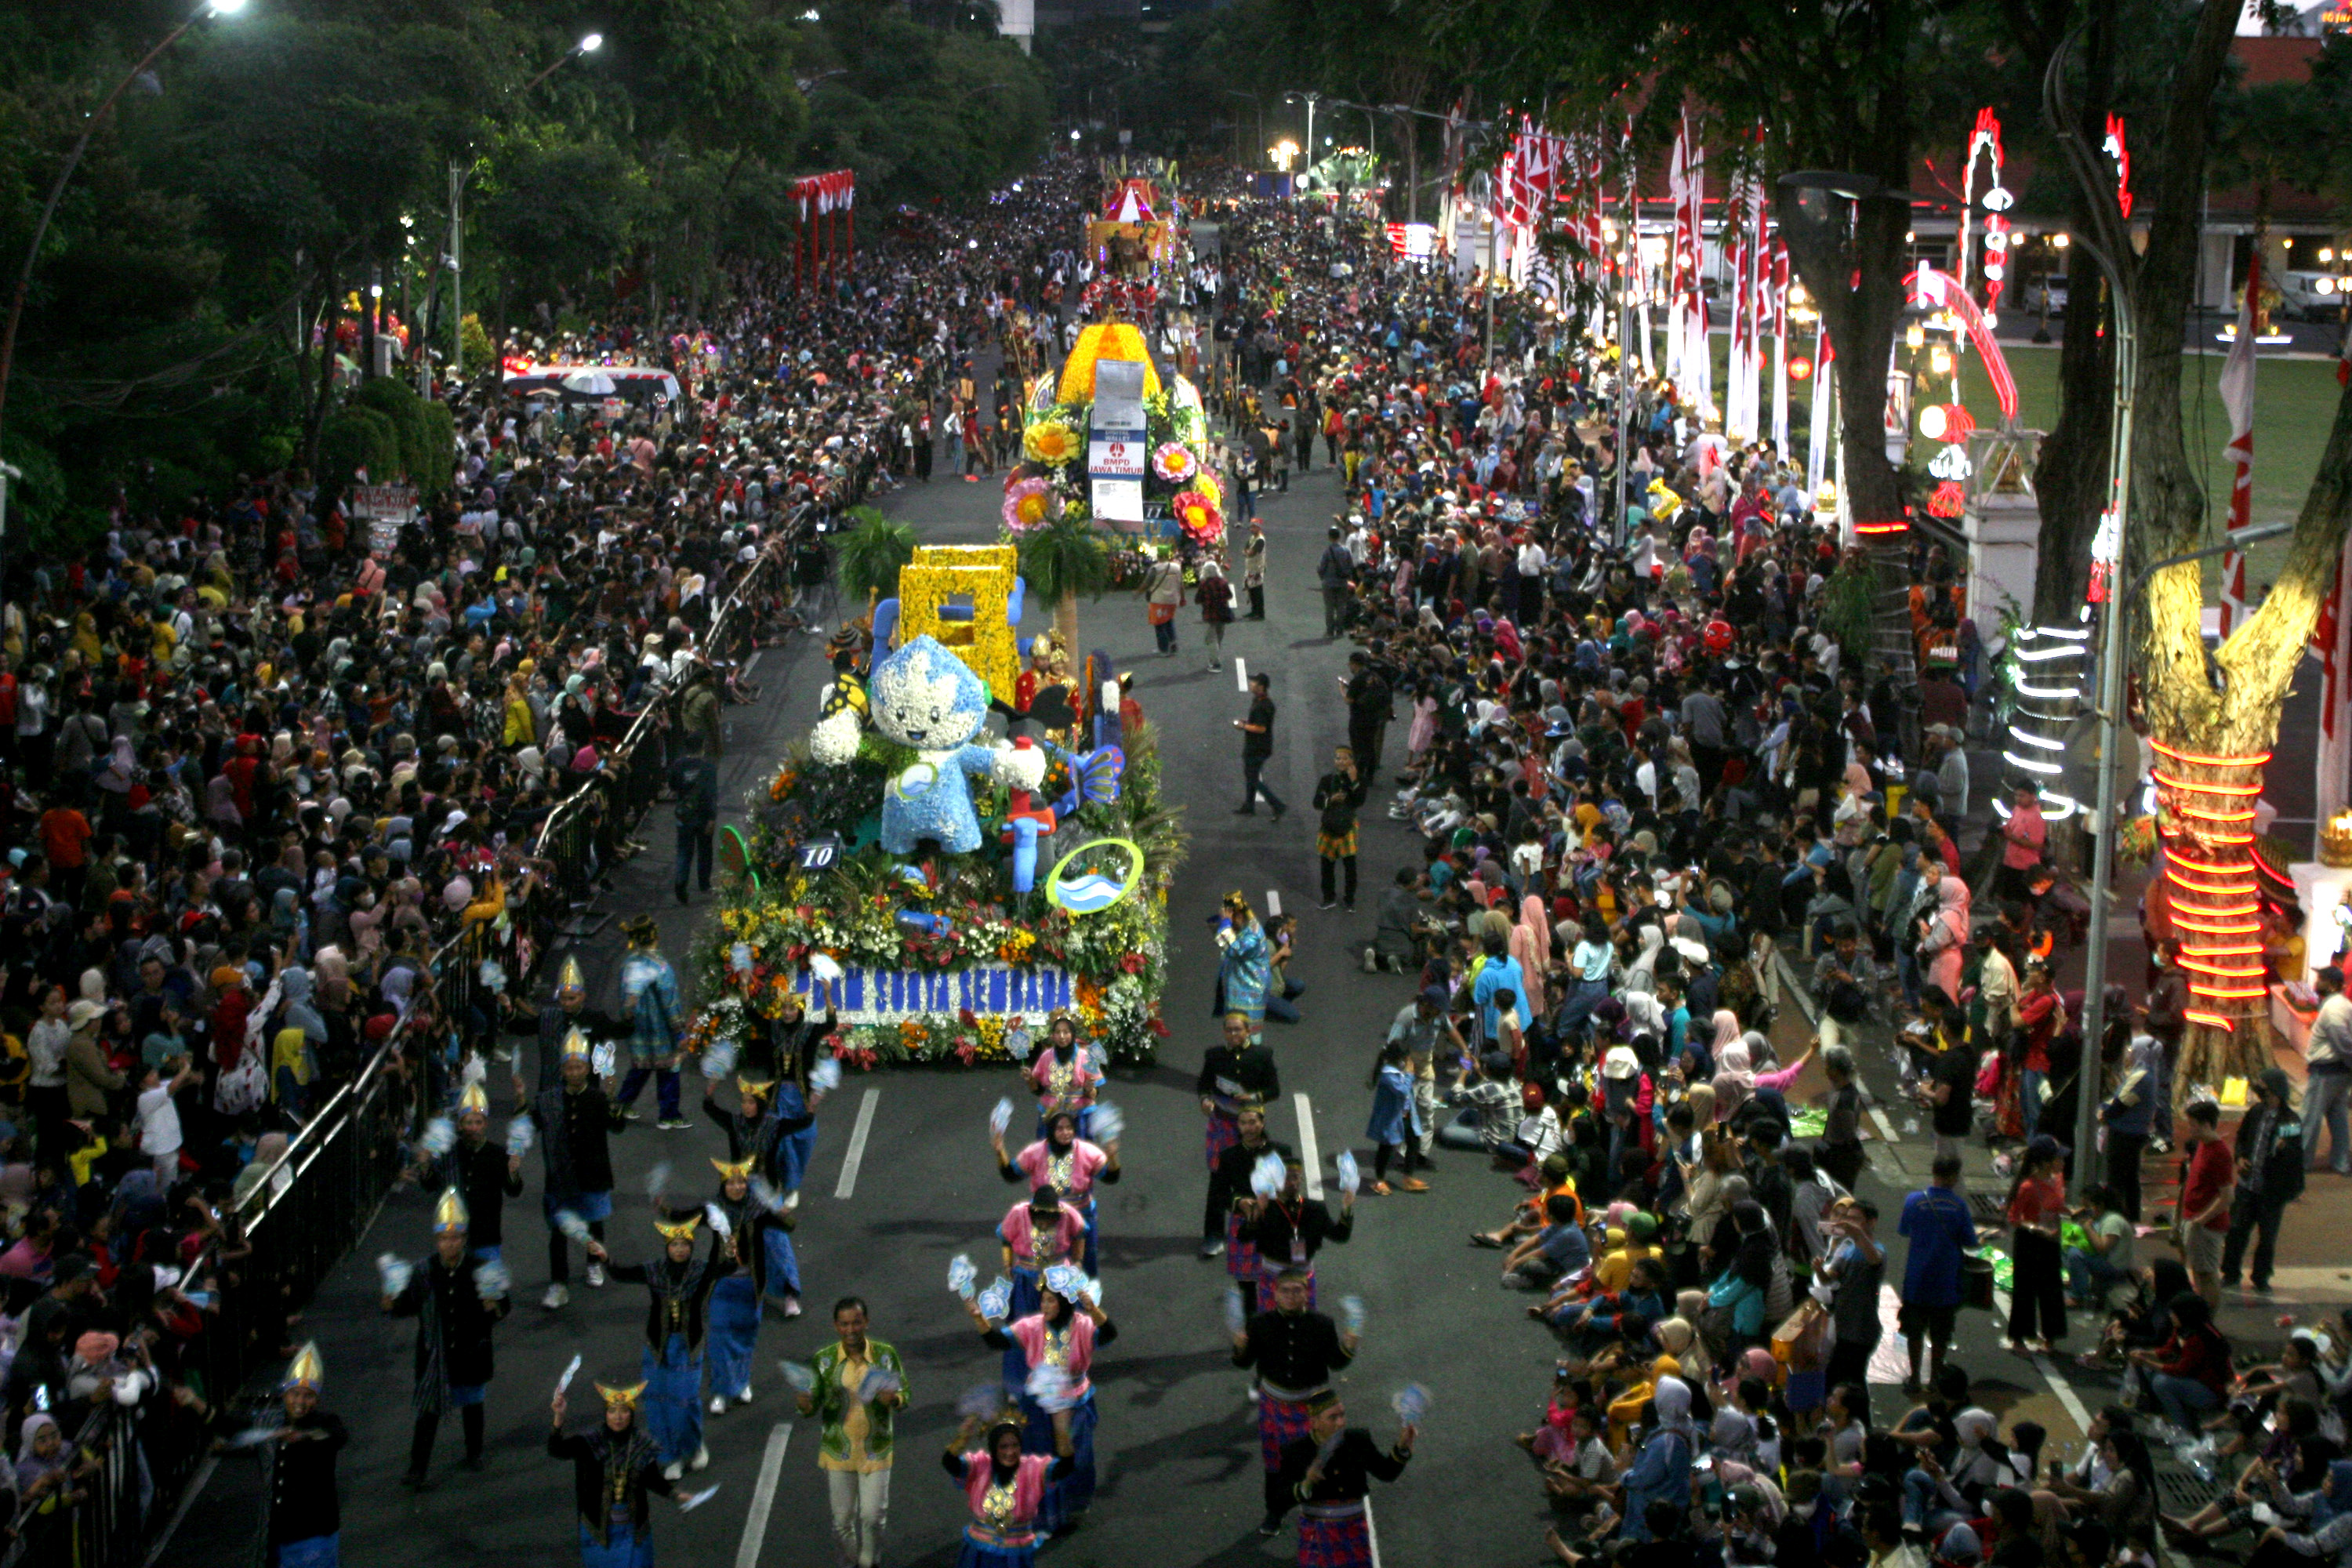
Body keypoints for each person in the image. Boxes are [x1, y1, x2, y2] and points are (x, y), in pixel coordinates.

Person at [965, 1274, 1116, 1534]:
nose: (1044, 1306)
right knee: (1038, 1458)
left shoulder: (1081, 1326)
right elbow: (997, 1341)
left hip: (1073, 1402)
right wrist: (980, 1319)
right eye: (1043, 1301)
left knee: (1074, 1454)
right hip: (1038, 1404)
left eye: (1050, 1301)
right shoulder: (1033, 1326)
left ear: (1063, 1303)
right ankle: (1042, 1515)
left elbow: (1109, 1334)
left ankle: (1072, 1506)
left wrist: (1094, 1310)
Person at [385, 1187, 510, 1487]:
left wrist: (494, 1308)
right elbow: (408, 1305)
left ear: (464, 1240)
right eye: (444, 1239)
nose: (449, 1244)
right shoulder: (424, 1271)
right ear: (437, 1241)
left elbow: (504, 1306)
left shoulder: (482, 1269)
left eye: (455, 1238)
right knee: (427, 1412)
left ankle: (475, 1451)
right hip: (435, 1356)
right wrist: (392, 1304)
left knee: (472, 1403)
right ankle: (418, 1468)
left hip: (471, 1350)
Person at [587, 1213, 722, 1480]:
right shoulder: (655, 1270)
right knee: (656, 1404)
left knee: (684, 1403)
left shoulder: (700, 1271)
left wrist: (727, 1242)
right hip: (657, 1346)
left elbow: (727, 1267)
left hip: (688, 1346)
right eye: (675, 1245)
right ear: (667, 1247)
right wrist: (606, 1259)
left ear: (691, 1246)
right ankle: (669, 1456)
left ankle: (693, 1447)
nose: (680, 1249)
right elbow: (622, 1273)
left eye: (685, 1245)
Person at [1233, 1268, 1360, 1537]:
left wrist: (1348, 1347)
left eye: (1297, 1290)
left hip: (1312, 1408)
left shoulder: (1322, 1324)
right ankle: (1275, 1511)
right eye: (1285, 1291)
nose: (1291, 1296)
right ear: (1275, 1293)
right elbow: (1244, 1363)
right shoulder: (1259, 1323)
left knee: (1317, 1463)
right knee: (1275, 1464)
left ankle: (1317, 1515)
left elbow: (1336, 1363)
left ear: (1307, 1293)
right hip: (1274, 1407)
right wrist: (1240, 1348)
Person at [797, 1296, 907, 1568]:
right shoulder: (824, 1361)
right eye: (844, 1324)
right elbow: (813, 1404)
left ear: (866, 1323)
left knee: (872, 1517)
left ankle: (870, 1560)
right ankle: (849, 1560)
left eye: (856, 1323)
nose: (851, 1330)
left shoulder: (884, 1355)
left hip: (876, 1448)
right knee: (842, 1521)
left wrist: (893, 1399)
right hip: (838, 1450)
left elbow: (905, 1392)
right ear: (836, 1326)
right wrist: (806, 1404)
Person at [532, 1028, 627, 1309]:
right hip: (560, 1176)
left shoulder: (598, 1098)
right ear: (562, 1070)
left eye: (579, 1067)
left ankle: (593, 1263)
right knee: (558, 1232)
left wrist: (613, 1102)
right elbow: (532, 1124)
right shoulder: (549, 1100)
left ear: (587, 1069)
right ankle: (558, 1283)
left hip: (593, 1174)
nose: (574, 1072)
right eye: (569, 1067)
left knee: (594, 1222)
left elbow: (618, 1127)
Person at [547, 1379, 684, 1568]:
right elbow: (556, 1450)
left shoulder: (641, 1445)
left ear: (632, 1414)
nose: (618, 1417)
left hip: (634, 1529)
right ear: (606, 1414)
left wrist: (675, 1494)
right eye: (612, 1411)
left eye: (624, 1411)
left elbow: (652, 1479)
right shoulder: (589, 1443)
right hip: (598, 1530)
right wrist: (559, 1417)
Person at [1272, 1390, 1415, 1564]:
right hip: (1317, 1533)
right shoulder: (1296, 1452)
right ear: (1314, 1422)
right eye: (1333, 1417)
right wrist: (1306, 1484)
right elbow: (1278, 1501)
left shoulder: (1357, 1440)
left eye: (1342, 1415)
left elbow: (1386, 1473)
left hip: (1354, 1530)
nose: (1341, 1423)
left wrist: (1402, 1447)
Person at [942, 1408, 1076, 1568]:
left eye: (1015, 1446)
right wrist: (962, 1439)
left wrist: (1062, 1434)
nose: (1010, 1452)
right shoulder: (981, 1465)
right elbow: (950, 1463)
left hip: (1015, 1555)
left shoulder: (1033, 1468)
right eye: (1003, 1447)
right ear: (993, 1448)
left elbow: (1065, 1467)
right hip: (979, 1550)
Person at [993, 1109, 1120, 1276]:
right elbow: (1011, 1175)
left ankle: (1086, 1302)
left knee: (1084, 1265)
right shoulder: (1035, 1152)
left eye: (1069, 1128)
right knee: (1046, 1268)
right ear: (1051, 1131)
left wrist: (1112, 1157)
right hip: (1045, 1218)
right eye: (1060, 1129)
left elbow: (1111, 1177)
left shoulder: (1088, 1152)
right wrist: (1000, 1150)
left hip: (1081, 1216)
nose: (1065, 1133)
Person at [1199, 1011, 1282, 1253]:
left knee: (1255, 1179)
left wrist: (1254, 1097)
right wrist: (1205, 1099)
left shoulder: (1262, 1055)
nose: (1234, 1034)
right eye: (1229, 1030)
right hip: (1222, 1125)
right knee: (1218, 1180)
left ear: (1248, 1031)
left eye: (1238, 1030)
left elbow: (1274, 1089)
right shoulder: (1214, 1056)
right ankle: (1214, 1236)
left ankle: (1257, 1230)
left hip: (1250, 1126)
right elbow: (1204, 1084)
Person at [420, 1082, 525, 1264]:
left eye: (478, 1122)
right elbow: (431, 1187)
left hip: (487, 1237)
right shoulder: (448, 1154)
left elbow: (513, 1191)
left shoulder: (498, 1154)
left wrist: (513, 1173)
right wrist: (425, 1166)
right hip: (454, 1238)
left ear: (485, 1124)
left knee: (490, 1291)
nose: (474, 1127)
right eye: (469, 1122)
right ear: (460, 1125)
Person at [1898, 1152, 1978, 1392]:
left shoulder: (1913, 1201)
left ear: (1933, 1172)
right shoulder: (1959, 1206)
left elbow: (1904, 1230)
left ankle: (1914, 1379)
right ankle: (1934, 1379)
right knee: (1941, 1334)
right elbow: (1970, 1241)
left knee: (1914, 1332)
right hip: (1946, 1281)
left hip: (1916, 1280)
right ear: (1954, 1177)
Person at [264, 1344, 348, 1568]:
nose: (300, 1402)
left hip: (314, 1535)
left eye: (308, 1396)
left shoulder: (325, 1422)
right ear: (285, 1395)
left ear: (317, 1400)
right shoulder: (276, 1422)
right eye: (295, 1394)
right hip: (281, 1537)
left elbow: (338, 1437)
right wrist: (196, 1403)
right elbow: (237, 1428)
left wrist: (304, 1436)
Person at [2223, 1069, 2304, 1294]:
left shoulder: (2290, 1120)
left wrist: (2283, 1150)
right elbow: (2242, 1137)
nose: (2265, 1098)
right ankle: (2230, 1272)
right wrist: (2239, 1158)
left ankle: (2261, 1277)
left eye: (2268, 1093)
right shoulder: (2256, 1112)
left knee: (2267, 1237)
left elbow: (2295, 1156)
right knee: (2237, 1231)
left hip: (2271, 1191)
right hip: (2248, 1186)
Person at [1245, 1154, 1356, 1308]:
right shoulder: (1266, 1208)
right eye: (1285, 1178)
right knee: (1270, 1326)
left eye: (1295, 1177)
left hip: (1303, 1276)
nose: (1291, 1183)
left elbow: (1340, 1236)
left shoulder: (1315, 1209)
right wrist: (1256, 1214)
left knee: (1306, 1327)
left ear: (1301, 1179)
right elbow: (1245, 1237)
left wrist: (1347, 1208)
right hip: (1273, 1275)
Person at [617, 916, 690, 1131]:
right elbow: (670, 1002)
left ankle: (621, 1104)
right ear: (655, 937)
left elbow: (624, 999)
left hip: (638, 1031)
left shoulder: (628, 963)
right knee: (669, 1071)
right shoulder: (661, 968)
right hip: (661, 1032)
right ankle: (669, 1115)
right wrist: (680, 1032)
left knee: (640, 1068)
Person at [2003, 1134, 2067, 1354]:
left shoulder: (2058, 1180)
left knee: (2052, 1289)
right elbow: (2014, 1218)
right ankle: (2019, 1338)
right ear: (2044, 1163)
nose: (2062, 1163)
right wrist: (2034, 1228)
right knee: (2025, 1290)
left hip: (2051, 1240)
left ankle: (2051, 1337)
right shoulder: (2028, 1187)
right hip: (2029, 1242)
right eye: (2058, 1159)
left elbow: (2059, 1207)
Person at [2178, 1099, 2234, 1304]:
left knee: (2207, 1275)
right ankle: (2201, 1315)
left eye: (2193, 1124)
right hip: (2195, 1221)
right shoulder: (2203, 1145)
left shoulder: (2219, 1153)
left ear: (2207, 1124)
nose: (2189, 1128)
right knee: (2198, 1273)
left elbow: (2227, 1196)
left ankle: (2208, 1319)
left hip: (2206, 1226)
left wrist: (2200, 1220)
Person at [2304, 965, 2352, 1176]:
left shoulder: (2333, 1009)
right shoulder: (2340, 1005)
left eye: (2321, 979)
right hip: (2338, 1071)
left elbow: (2343, 1042)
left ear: (2332, 985)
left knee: (2311, 1119)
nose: (2316, 983)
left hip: (2327, 1072)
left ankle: (2300, 1165)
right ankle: (2341, 1162)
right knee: (2337, 1117)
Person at [1364, 1039, 1428, 1193]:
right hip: (1391, 1118)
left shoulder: (1398, 1069)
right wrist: (1410, 1075)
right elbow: (1402, 1091)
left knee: (1414, 1142)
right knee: (1386, 1147)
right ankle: (1379, 1181)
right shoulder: (1387, 1075)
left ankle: (1408, 1178)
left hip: (1406, 1116)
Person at [1313, 746, 1369, 911]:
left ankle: (1349, 900)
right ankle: (1328, 897)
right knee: (1326, 865)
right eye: (1338, 758)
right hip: (1329, 826)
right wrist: (1330, 800)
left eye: (1345, 758)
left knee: (1350, 867)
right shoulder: (1327, 780)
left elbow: (1359, 801)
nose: (1341, 762)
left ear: (1352, 761)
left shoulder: (1360, 780)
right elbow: (1316, 803)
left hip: (1347, 827)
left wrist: (1354, 781)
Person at [669, 733, 720, 905]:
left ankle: (680, 882)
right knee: (705, 850)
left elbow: (673, 786)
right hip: (704, 816)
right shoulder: (709, 768)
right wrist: (712, 818)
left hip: (684, 815)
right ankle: (704, 884)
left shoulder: (678, 765)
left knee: (684, 850)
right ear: (702, 747)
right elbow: (712, 795)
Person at [1217, 892, 1275, 1028]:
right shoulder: (1245, 926)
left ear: (1240, 915)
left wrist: (1225, 924)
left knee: (1248, 1030)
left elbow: (1234, 950)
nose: (1230, 921)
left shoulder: (1253, 935)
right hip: (1238, 986)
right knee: (1233, 1029)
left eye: (1232, 917)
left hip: (1250, 992)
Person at [1234, 672, 1286, 818]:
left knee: (1252, 778)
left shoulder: (1263, 706)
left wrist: (1243, 726)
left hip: (1258, 748)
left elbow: (1261, 728)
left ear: (1261, 687)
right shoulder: (1260, 700)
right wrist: (1246, 723)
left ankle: (1277, 805)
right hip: (1257, 746)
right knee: (1251, 775)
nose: (1251, 684)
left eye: (1254, 683)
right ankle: (1249, 805)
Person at [1317, 524, 1356, 639]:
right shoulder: (1345, 551)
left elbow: (1321, 567)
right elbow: (1350, 566)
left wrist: (1323, 578)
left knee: (1329, 607)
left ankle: (1330, 630)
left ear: (1330, 537)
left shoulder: (1327, 552)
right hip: (1342, 582)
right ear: (1339, 537)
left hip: (1329, 583)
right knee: (1341, 606)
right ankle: (1340, 629)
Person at [1198, 557, 1235, 671]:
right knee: (1219, 635)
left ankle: (1215, 663)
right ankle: (1215, 656)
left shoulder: (1204, 584)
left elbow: (1198, 599)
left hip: (1210, 614)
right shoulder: (1223, 582)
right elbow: (1230, 596)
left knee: (1210, 638)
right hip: (1222, 613)